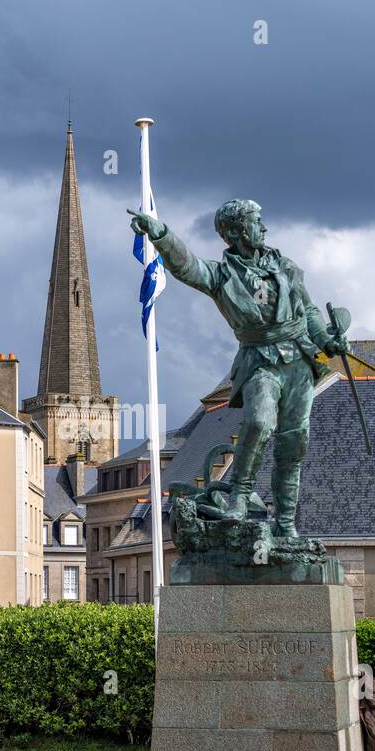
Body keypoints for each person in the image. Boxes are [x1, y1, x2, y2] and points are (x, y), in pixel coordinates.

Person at [128, 199, 350, 537]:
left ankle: (286, 524)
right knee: (259, 422)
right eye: (256, 221)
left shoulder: (285, 267)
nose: (264, 227)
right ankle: (240, 497)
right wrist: (161, 234)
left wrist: (328, 342)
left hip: (298, 361)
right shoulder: (221, 275)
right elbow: (187, 266)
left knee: (295, 442)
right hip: (259, 358)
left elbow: (309, 312)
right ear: (235, 231)